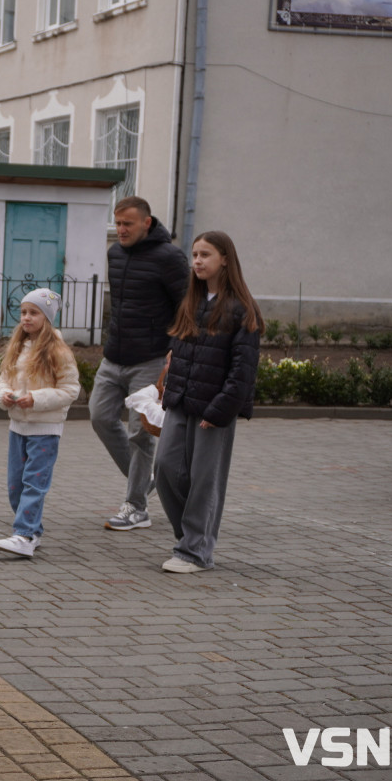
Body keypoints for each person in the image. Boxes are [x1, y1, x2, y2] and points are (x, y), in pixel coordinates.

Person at [154, 231, 261, 572]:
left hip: (214, 410)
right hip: (181, 402)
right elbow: (180, 354)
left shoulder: (241, 310)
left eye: (206, 255)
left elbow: (243, 371)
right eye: (195, 254)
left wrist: (221, 410)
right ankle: (191, 536)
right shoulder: (192, 302)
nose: (197, 261)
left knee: (204, 479)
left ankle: (196, 551)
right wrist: (169, 390)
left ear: (225, 260)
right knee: (166, 470)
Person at [89, 196, 189, 531]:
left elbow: (185, 308)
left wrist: (175, 351)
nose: (120, 230)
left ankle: (136, 506)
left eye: (127, 224)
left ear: (146, 223)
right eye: (117, 223)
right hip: (114, 356)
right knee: (100, 416)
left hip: (150, 358)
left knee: (140, 434)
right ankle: (144, 480)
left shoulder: (170, 258)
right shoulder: (115, 253)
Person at [0, 289, 80, 558]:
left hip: (45, 430)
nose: (26, 318)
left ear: (47, 317)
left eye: (33, 312)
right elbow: (3, 381)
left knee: (33, 483)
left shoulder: (58, 352)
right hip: (18, 428)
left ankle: (24, 534)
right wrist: (3, 396)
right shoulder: (18, 347)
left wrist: (37, 399)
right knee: (15, 485)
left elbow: (70, 390)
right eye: (23, 312)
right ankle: (33, 530)